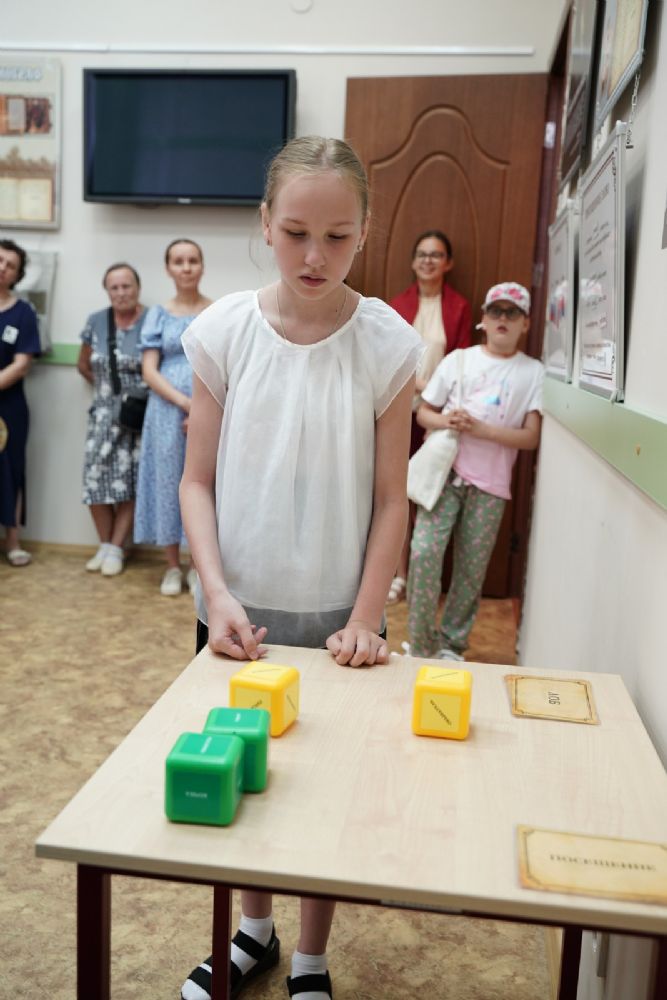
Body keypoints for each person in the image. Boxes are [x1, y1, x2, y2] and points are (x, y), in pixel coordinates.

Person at [179, 136, 420, 1000]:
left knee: (325, 792)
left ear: (365, 232)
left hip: (341, 618)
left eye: (337, 237)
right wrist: (216, 592)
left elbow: (390, 499)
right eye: (295, 234)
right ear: (264, 225)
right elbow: (197, 480)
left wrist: (364, 616)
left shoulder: (386, 343)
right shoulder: (224, 332)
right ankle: (253, 933)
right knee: (243, 776)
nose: (315, 256)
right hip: (236, 610)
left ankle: (311, 959)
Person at [407, 281, 544, 660]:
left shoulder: (533, 372)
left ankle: (452, 644)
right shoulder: (458, 360)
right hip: (444, 476)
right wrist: (447, 420)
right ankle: (420, 645)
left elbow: (531, 437)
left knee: (471, 569)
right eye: (496, 311)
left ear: (525, 323)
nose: (503, 319)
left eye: (512, 313)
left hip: (491, 486)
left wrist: (482, 430)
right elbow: (424, 413)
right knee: (423, 553)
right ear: (484, 318)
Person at [386, 229, 472, 605]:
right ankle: (398, 574)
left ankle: (424, 577)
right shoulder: (397, 305)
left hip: (437, 414)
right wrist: (419, 383)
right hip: (398, 411)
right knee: (396, 491)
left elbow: (463, 360)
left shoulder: (459, 307)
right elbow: (389, 357)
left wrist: (434, 391)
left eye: (436, 255)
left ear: (448, 263)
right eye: (422, 254)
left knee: (428, 490)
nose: (428, 261)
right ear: (412, 262)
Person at [133, 238, 211, 596]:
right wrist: (185, 403)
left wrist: (201, 409)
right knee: (167, 483)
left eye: (192, 260)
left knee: (203, 485)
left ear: (202, 266)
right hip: (165, 412)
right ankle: (171, 566)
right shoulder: (157, 315)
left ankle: (198, 566)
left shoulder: (216, 311)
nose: (186, 267)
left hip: (206, 409)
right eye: (178, 261)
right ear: (168, 268)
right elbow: (149, 370)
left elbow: (221, 367)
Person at [77, 262, 147, 576]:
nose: (121, 293)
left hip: (138, 417)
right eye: (114, 287)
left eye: (126, 286)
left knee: (131, 482)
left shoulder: (152, 320)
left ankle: (117, 548)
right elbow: (83, 364)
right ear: (107, 291)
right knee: (95, 479)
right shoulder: (96, 321)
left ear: (137, 288)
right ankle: (105, 545)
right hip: (103, 415)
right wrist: (108, 394)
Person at [0, 238, 40, 566]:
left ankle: (12, 542)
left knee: (11, 470)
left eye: (10, 265)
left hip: (9, 406)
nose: (2, 268)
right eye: (0, 260)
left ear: (17, 275)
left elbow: (22, 363)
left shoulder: (23, 312)